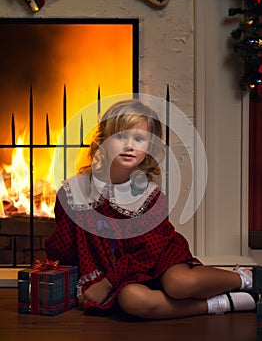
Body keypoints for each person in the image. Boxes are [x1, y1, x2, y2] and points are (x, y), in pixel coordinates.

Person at [45, 99, 255, 319]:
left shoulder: (150, 196)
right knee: (131, 299)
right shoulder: (74, 194)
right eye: (120, 136)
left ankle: (247, 279)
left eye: (139, 138)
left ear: (150, 147)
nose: (129, 145)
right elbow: (64, 247)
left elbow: (147, 252)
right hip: (121, 274)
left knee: (178, 284)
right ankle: (220, 303)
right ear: (103, 141)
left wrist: (107, 284)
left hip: (156, 256)